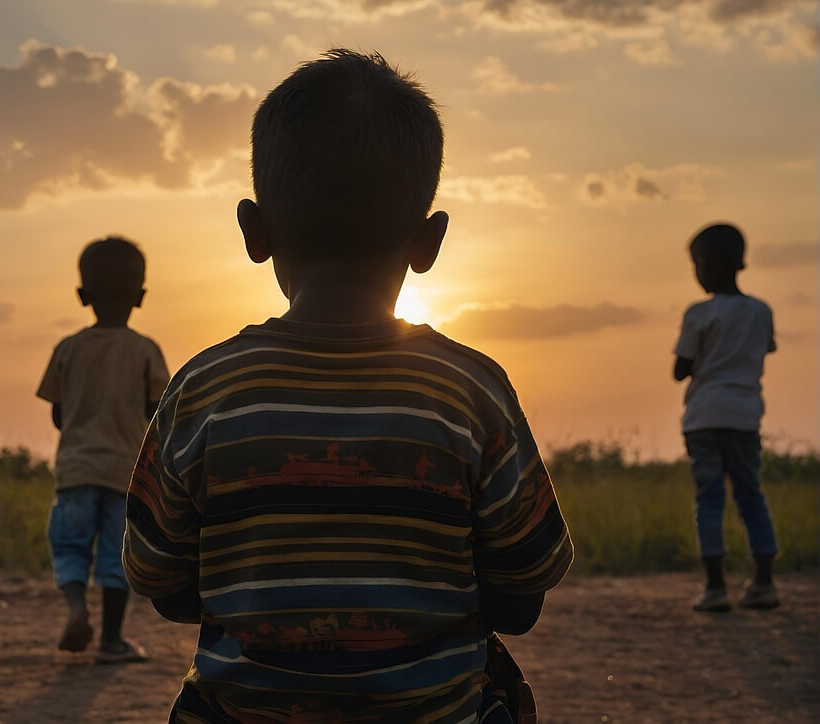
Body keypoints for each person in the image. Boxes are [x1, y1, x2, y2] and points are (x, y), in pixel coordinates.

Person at [123, 49, 573, 722]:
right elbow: (523, 594)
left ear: (254, 230)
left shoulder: (203, 389)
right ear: (430, 241)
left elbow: (160, 581)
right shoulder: (471, 390)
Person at [37, 236, 170, 664]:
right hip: (124, 472)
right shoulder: (146, 351)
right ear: (141, 296)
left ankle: (76, 608)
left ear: (82, 296)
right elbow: (159, 413)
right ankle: (112, 640)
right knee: (116, 556)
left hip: (75, 469)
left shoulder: (67, 349)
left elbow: (58, 414)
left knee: (70, 546)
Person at [674, 223, 780, 612]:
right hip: (745, 415)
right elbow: (765, 348)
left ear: (709, 265)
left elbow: (681, 369)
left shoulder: (699, 313)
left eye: (697, 265)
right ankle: (764, 584)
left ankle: (715, 588)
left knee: (710, 500)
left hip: (704, 416)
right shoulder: (760, 310)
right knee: (752, 496)